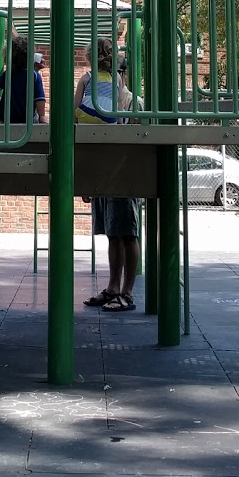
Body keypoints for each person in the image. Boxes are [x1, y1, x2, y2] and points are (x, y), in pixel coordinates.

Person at [76, 38, 140, 313]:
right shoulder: (116, 83)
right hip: (109, 160)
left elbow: (74, 114)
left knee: (124, 231)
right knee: (115, 232)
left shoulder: (95, 82)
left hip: (116, 162)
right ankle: (116, 287)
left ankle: (126, 291)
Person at [0, 33, 46, 125]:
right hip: (27, 118)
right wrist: (42, 116)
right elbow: (39, 99)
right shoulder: (34, 75)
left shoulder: (9, 74)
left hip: (6, 118)